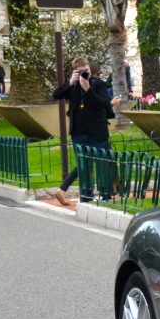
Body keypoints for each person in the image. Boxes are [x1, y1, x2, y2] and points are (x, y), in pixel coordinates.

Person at [50, 56, 116, 207]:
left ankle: (105, 194)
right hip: (79, 132)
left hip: (97, 131)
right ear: (75, 72)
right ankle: (86, 196)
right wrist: (70, 83)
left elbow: (104, 105)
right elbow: (56, 95)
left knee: (102, 162)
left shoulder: (98, 84)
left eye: (86, 71)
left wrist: (88, 89)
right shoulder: (73, 87)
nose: (85, 74)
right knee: (84, 164)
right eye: (81, 72)